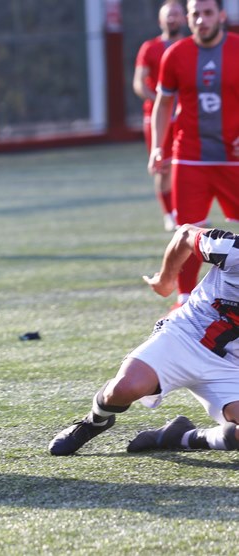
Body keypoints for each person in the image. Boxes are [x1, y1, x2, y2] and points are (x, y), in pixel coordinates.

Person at [49, 224, 239, 456]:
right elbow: (185, 234)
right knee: (125, 388)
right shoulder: (233, 250)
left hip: (230, 366)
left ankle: (178, 437)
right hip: (184, 336)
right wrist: (166, 280)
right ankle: (95, 421)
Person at [148, 0, 239, 310]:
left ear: (221, 16)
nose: (201, 20)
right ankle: (185, 299)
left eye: (208, 13)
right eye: (195, 14)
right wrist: (158, 146)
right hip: (190, 157)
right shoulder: (176, 54)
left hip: (232, 157)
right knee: (187, 229)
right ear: (187, 18)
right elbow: (163, 103)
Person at [133, 0, 186, 232]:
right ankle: (169, 214)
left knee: (185, 166)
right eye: (168, 15)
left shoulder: (191, 47)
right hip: (159, 118)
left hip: (186, 116)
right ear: (160, 20)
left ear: (184, 18)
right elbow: (138, 83)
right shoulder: (150, 48)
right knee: (162, 166)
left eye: (176, 14)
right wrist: (161, 102)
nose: (172, 19)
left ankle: (183, 212)